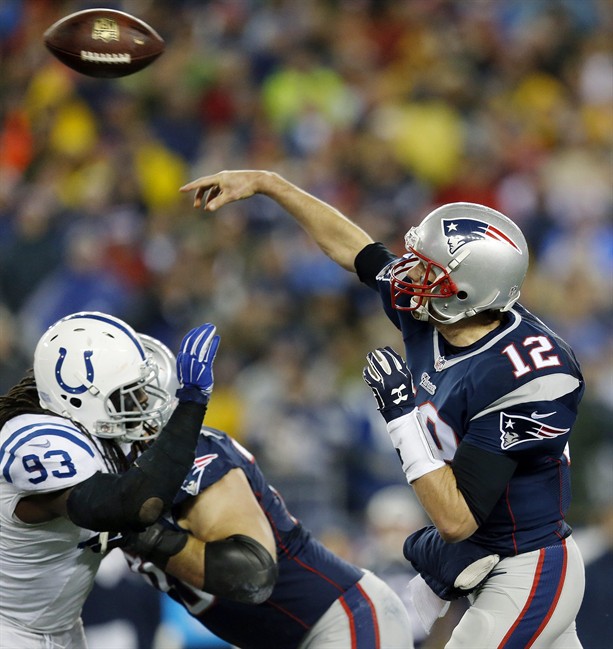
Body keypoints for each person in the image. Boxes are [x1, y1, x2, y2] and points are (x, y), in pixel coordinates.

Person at [180, 171, 586, 648]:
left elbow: (457, 518)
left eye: (426, 270)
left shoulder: (530, 372)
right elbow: (356, 250)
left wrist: (400, 417)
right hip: (480, 555)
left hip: (528, 564)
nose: (409, 275)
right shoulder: (434, 310)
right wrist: (273, 185)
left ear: (467, 293)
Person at [107, 335, 415, 649]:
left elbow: (251, 572)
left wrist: (139, 533)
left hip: (339, 620)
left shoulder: (195, 456)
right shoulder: (108, 482)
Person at [0, 311, 220, 649]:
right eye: (130, 392)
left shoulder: (94, 430)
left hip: (60, 626)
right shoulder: (38, 441)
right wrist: (191, 404)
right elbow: (135, 506)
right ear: (81, 395)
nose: (143, 401)